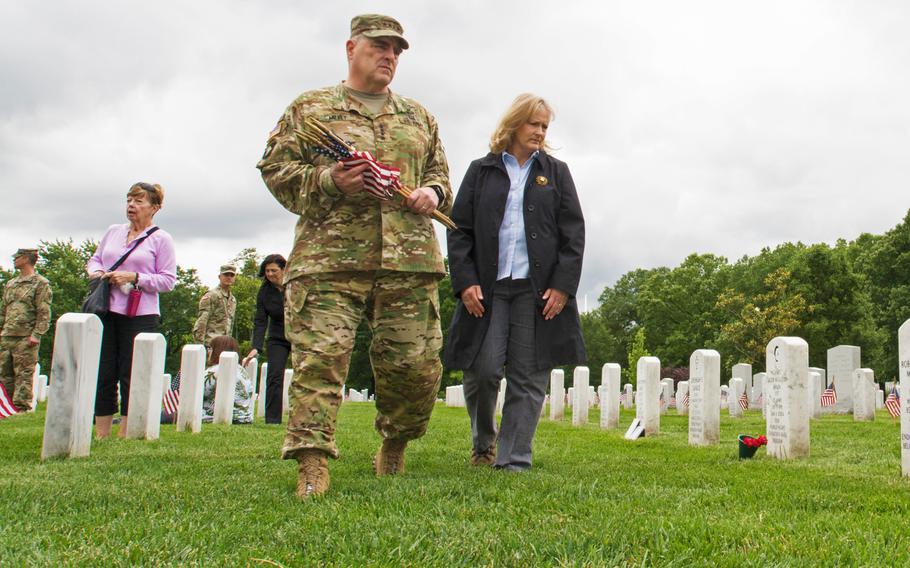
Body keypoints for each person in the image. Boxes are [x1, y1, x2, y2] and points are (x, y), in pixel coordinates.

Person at [257, 13, 451, 498]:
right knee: (319, 362)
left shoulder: (419, 117)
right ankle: (313, 462)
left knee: (415, 368)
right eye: (379, 46)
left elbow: (441, 177)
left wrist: (432, 192)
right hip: (330, 260)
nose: (389, 56)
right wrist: (328, 181)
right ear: (351, 48)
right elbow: (276, 170)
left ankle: (396, 442)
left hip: (408, 262)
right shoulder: (312, 109)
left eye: (397, 51)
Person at [445, 94, 586, 471]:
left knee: (529, 374)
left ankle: (514, 459)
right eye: (534, 124)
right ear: (514, 124)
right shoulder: (481, 170)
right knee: (484, 368)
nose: (540, 132)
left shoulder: (556, 173)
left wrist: (562, 285)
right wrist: (464, 281)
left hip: (535, 290)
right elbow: (460, 230)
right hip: (487, 289)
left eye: (545, 126)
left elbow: (573, 233)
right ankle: (484, 442)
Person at [87, 182, 176, 438]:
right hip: (106, 309)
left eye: (138, 201)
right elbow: (95, 258)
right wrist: (97, 272)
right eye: (128, 200)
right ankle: (102, 432)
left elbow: (168, 280)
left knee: (130, 372)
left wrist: (134, 277)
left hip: (139, 314)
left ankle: (126, 430)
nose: (131, 206)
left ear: (155, 208)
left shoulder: (161, 239)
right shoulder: (113, 232)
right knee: (104, 372)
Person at [0, 248, 52, 412]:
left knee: (23, 374)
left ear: (27, 259)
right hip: (8, 334)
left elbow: (43, 311)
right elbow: (4, 309)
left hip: (26, 336)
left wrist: (37, 334)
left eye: (18, 257)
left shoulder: (40, 283)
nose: (15, 260)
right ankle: (5, 407)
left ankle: (20, 408)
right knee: (4, 372)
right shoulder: (11, 283)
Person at [242, 254, 290, 425]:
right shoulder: (264, 292)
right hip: (277, 337)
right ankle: (272, 419)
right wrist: (256, 347)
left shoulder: (295, 286)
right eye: (267, 271)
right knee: (274, 376)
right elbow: (260, 321)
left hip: (300, 334)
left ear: (284, 269)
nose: (270, 274)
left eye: (273, 270)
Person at [202, 335, 253, 424]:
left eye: (210, 348)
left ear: (217, 350)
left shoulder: (215, 370)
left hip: (217, 416)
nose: (208, 352)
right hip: (243, 417)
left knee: (171, 415)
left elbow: (198, 392)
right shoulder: (242, 370)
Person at [192, 264, 238, 349]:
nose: (229, 277)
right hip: (210, 344)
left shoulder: (233, 300)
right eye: (226, 275)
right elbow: (202, 321)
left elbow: (229, 325)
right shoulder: (211, 295)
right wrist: (200, 345)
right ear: (220, 276)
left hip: (224, 345)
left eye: (232, 275)